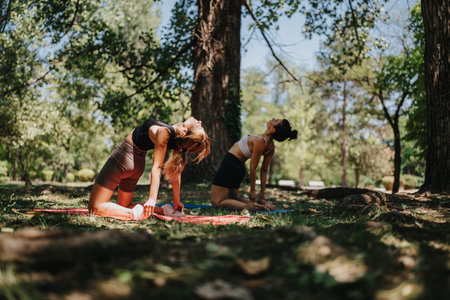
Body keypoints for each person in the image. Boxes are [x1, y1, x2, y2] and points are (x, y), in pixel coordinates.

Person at [89, 117, 210, 220]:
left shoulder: (165, 132)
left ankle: (135, 214)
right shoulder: (175, 139)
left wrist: (152, 199)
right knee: (124, 205)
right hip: (137, 166)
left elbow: (157, 167)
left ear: (184, 132)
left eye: (199, 126)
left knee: (95, 207)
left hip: (123, 158)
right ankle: (165, 211)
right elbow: (175, 172)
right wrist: (176, 200)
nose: (199, 122)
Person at [211, 118, 297, 211]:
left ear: (273, 129)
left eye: (275, 120)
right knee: (232, 200)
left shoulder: (261, 141)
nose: (273, 119)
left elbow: (253, 167)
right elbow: (264, 171)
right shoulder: (270, 146)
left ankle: (249, 207)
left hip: (230, 164)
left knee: (216, 202)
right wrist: (261, 196)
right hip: (238, 168)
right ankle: (258, 205)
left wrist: (253, 191)